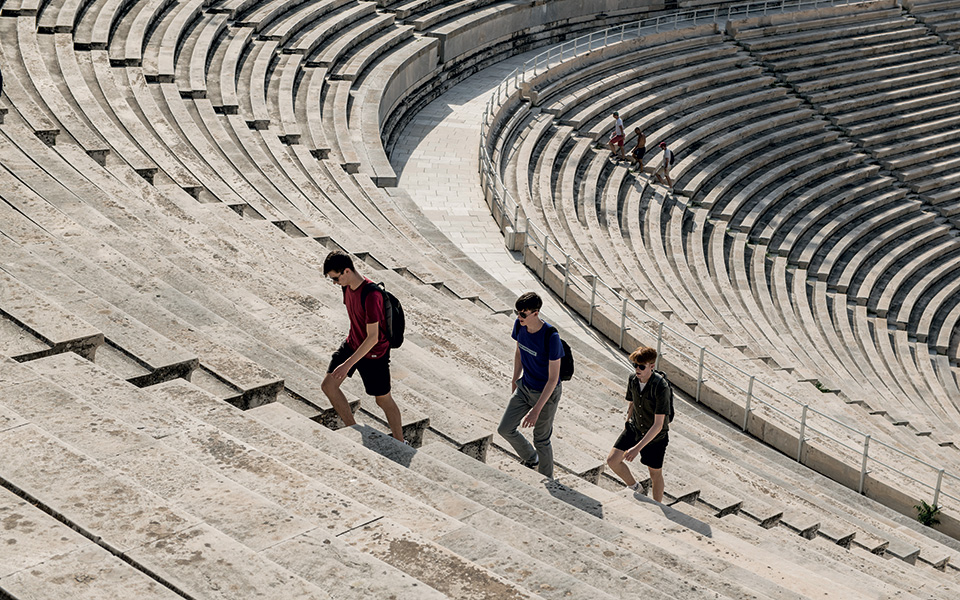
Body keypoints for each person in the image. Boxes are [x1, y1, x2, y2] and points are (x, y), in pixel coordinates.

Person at [321, 250, 404, 442]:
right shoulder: (346, 287)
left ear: (346, 271)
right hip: (353, 344)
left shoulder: (371, 295)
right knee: (328, 385)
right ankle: (352, 427)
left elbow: (373, 338)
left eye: (335, 278)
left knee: (382, 400)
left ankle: (401, 442)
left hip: (374, 353)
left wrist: (348, 364)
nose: (334, 283)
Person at [497, 292, 564, 478]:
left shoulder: (551, 337)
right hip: (525, 386)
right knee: (505, 428)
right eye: (517, 313)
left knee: (541, 439)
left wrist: (536, 410)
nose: (519, 317)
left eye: (523, 314)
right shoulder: (520, 325)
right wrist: (514, 380)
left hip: (546, 393)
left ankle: (546, 479)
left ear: (536, 313)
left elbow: (553, 379)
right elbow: (519, 352)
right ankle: (531, 457)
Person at [606, 346, 670, 502]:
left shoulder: (661, 387)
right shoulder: (632, 379)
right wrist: (627, 421)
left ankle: (657, 505)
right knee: (612, 461)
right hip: (635, 427)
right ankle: (636, 488)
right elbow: (633, 401)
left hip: (655, 437)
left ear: (652, 366)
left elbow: (658, 424)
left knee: (655, 474)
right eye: (635, 365)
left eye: (641, 366)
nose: (637, 369)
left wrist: (636, 448)